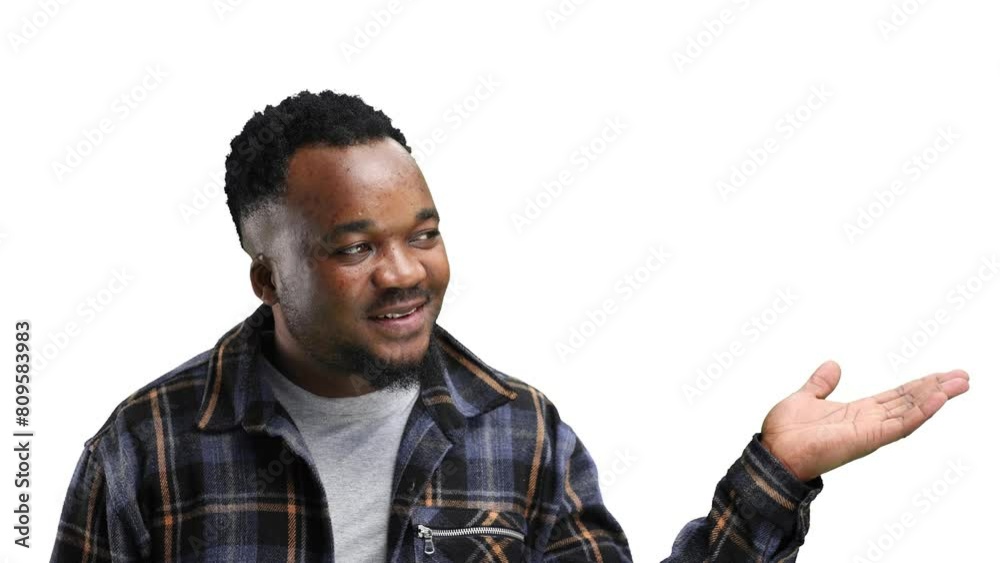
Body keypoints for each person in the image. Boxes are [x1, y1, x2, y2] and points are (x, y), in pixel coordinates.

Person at [50, 90, 971, 562]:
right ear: (268, 278)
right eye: (356, 247)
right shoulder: (144, 449)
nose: (405, 272)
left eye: (424, 234)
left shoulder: (519, 434)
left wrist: (775, 475)